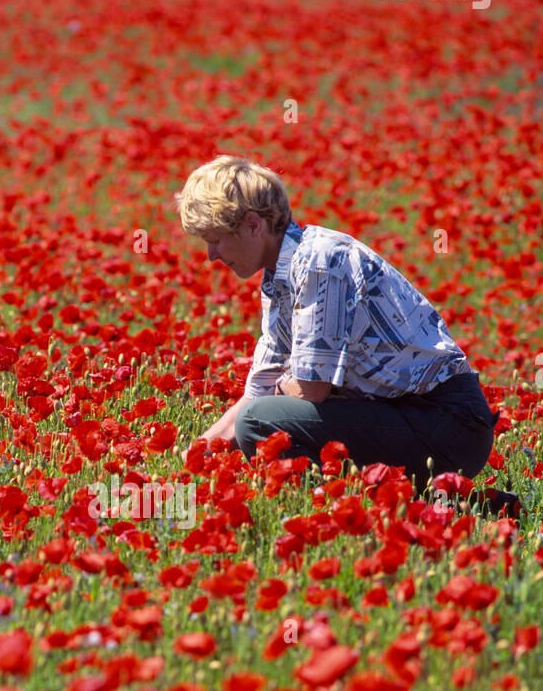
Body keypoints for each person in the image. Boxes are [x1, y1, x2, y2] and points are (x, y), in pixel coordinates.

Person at [175, 155, 504, 499]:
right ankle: (454, 506)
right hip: (408, 416)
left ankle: (332, 511)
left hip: (445, 423)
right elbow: (261, 390)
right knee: (259, 418)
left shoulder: (320, 262)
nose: (211, 255)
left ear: (253, 225)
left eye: (216, 238)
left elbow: (310, 390)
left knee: (259, 423)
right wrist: (195, 456)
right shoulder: (279, 280)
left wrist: (281, 390)